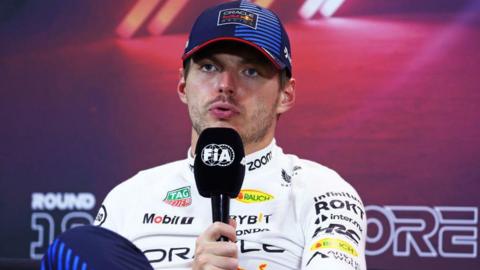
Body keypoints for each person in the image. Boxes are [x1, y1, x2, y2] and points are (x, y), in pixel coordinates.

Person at [94, 1, 367, 269]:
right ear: (182, 85)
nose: (225, 85)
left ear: (286, 94)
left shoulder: (323, 192)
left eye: (250, 71)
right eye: (209, 67)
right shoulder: (128, 199)